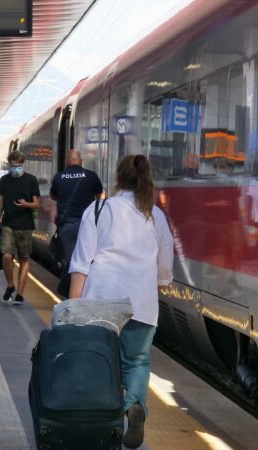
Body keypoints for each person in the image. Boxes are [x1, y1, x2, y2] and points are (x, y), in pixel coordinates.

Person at [68, 154, 174, 449]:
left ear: (117, 176)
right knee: (137, 361)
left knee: (100, 362)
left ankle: (102, 422)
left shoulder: (99, 209)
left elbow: (82, 262)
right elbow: (165, 264)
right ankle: (134, 405)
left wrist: (73, 306)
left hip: (101, 298)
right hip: (140, 299)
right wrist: (160, 284)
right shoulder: (155, 215)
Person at [0, 151, 40, 305]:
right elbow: (1, 204)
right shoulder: (4, 180)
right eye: (13, 166)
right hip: (8, 224)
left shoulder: (31, 180)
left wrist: (26, 205)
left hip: (25, 225)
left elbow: (36, 203)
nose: (16, 169)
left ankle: (20, 293)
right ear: (9, 165)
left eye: (19, 166)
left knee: (24, 259)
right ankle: (10, 285)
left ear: (22, 164)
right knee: (6, 256)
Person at [49, 149, 103, 266]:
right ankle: (85, 283)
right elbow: (101, 196)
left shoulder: (58, 177)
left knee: (70, 262)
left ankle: (70, 283)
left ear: (66, 161)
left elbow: (53, 197)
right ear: (81, 161)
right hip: (87, 225)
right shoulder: (91, 176)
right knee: (87, 260)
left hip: (66, 226)